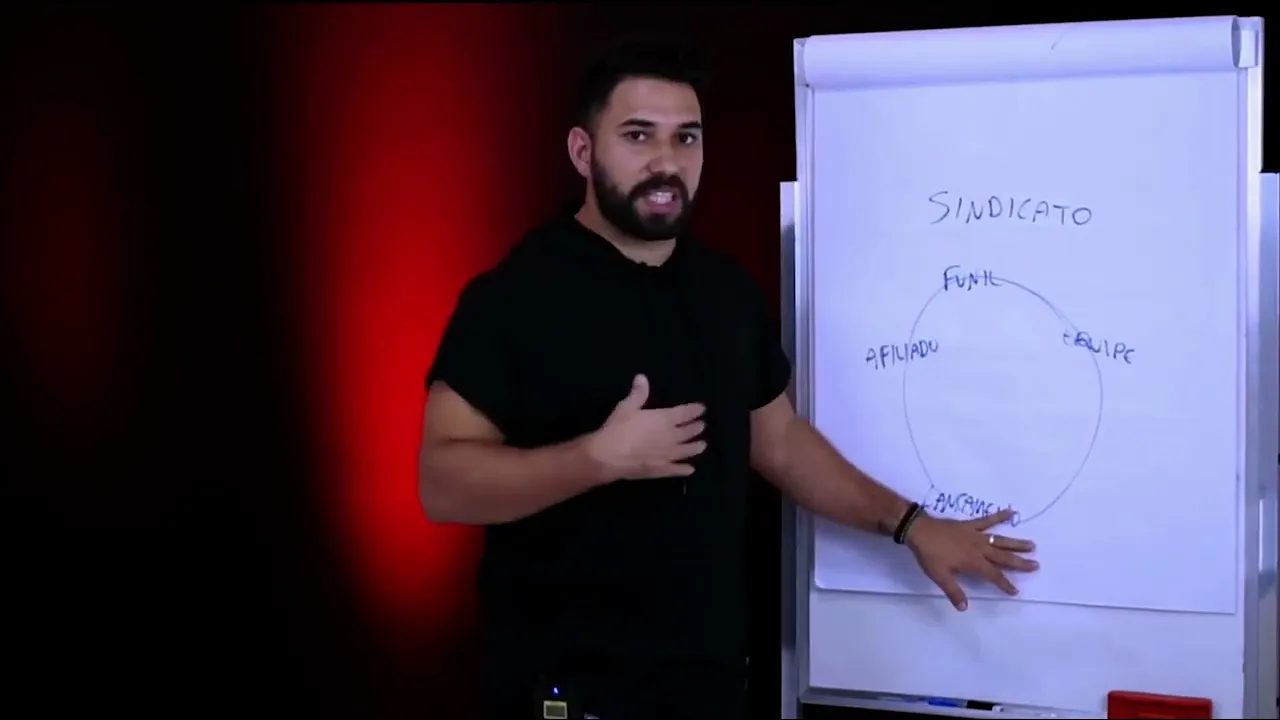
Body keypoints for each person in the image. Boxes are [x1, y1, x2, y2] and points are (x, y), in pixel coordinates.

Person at [417, 41, 1039, 720]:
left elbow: (780, 442)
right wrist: (595, 459)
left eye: (686, 137)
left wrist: (911, 524)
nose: (666, 161)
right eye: (637, 136)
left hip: (707, 683)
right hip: (566, 688)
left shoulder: (725, 291)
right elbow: (441, 484)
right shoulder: (514, 298)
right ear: (582, 151)